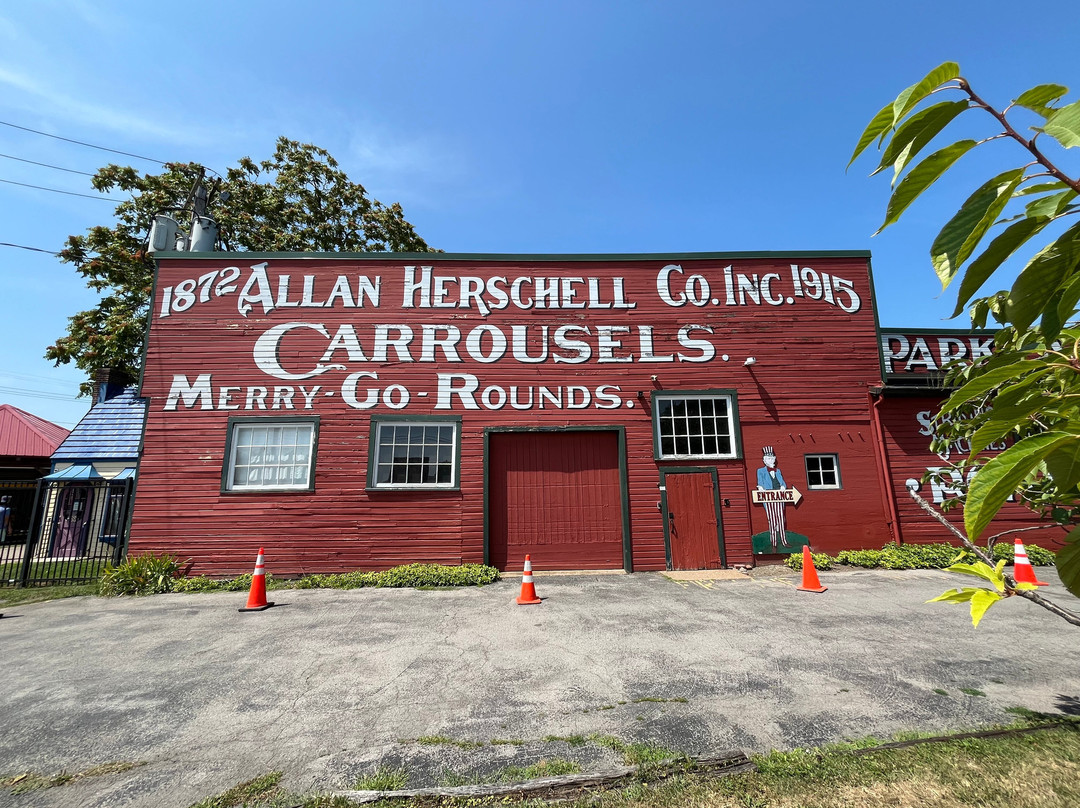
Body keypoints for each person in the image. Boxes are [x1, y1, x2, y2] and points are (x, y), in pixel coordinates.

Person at [755, 447, 787, 551]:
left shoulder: (778, 471)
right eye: (768, 459)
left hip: (778, 496)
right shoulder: (760, 471)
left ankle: (784, 541)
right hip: (769, 497)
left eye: (772, 458)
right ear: (764, 460)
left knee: (781, 518)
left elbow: (782, 482)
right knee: (772, 519)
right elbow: (760, 483)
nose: (771, 460)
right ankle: (774, 543)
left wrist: (783, 486)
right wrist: (761, 488)